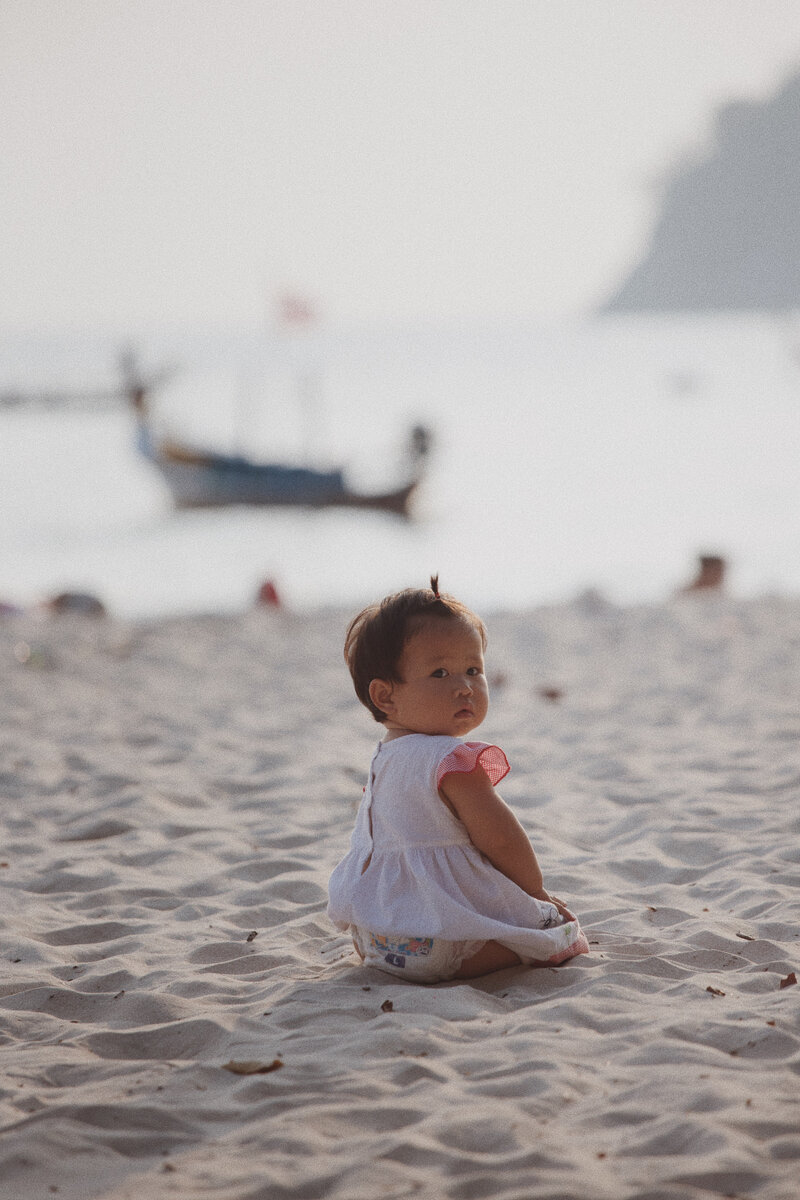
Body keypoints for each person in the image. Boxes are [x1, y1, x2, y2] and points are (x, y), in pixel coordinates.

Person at [327, 576, 589, 983]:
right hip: (442, 944)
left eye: (473, 669)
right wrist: (536, 895)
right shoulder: (451, 759)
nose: (464, 687)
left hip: (376, 936)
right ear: (384, 696)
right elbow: (500, 839)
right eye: (440, 673)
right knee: (554, 937)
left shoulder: (384, 758)